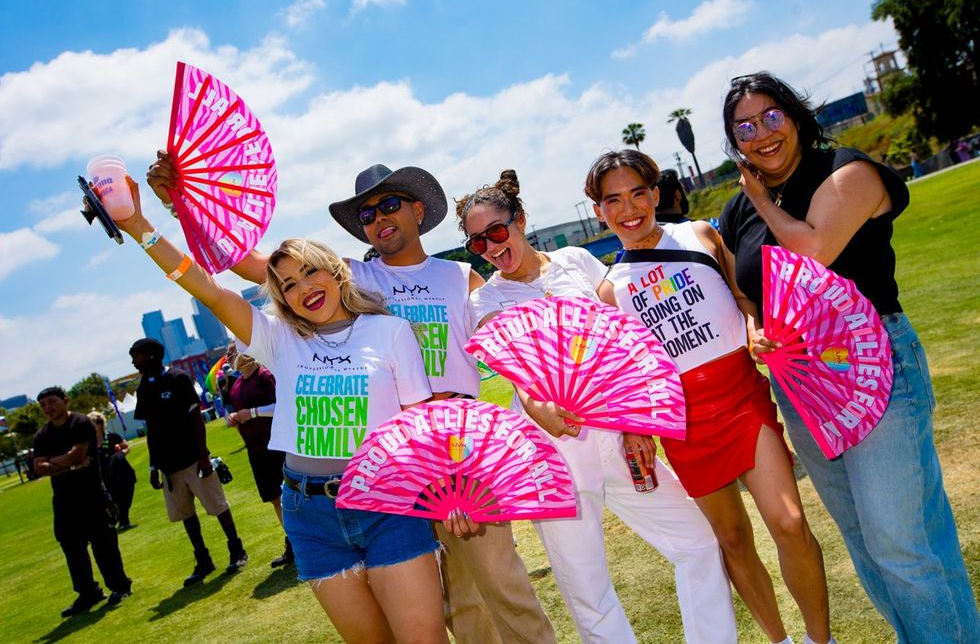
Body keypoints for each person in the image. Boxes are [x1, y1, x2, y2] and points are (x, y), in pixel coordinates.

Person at [148, 156, 557, 644]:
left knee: (499, 585)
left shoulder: (460, 278)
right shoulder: (350, 277)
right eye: (367, 214)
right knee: (448, 602)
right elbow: (245, 262)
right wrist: (181, 202)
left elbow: (504, 336)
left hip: (454, 449)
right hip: (390, 465)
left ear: (417, 211)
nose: (379, 218)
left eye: (389, 205)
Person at [113, 177, 448, 642]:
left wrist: (446, 492)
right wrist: (139, 225)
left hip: (388, 504)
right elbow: (206, 288)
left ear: (336, 272)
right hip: (310, 514)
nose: (303, 288)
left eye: (311, 272)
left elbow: (420, 424)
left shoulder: (390, 331)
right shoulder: (278, 338)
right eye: (288, 284)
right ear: (282, 298)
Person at [718, 71, 980, 644]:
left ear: (795, 115)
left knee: (902, 542)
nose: (761, 134)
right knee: (864, 540)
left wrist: (761, 198)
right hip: (802, 383)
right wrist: (755, 327)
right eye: (745, 126)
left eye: (771, 116)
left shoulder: (846, 170)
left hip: (874, 367)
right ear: (734, 141)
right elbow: (746, 291)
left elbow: (813, 248)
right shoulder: (737, 212)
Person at [458, 169, 737, 644]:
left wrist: (635, 423)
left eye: (497, 232)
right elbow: (519, 371)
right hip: (549, 453)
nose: (490, 248)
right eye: (477, 243)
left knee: (698, 543)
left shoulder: (576, 261)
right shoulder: (485, 301)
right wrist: (538, 405)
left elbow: (623, 344)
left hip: (616, 433)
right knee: (587, 590)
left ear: (521, 220)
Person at [588, 150, 834, 644]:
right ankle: (780, 640)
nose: (629, 208)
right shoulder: (611, 291)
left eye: (638, 193)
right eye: (613, 200)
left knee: (788, 521)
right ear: (599, 211)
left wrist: (751, 326)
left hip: (742, 398)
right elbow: (630, 371)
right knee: (733, 541)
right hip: (684, 425)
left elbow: (742, 294)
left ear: (655, 194)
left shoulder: (698, 235)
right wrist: (636, 426)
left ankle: (819, 640)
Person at [129, 337, 250, 587]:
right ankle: (203, 560)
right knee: (185, 514)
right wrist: (153, 467)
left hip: (194, 458)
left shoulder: (178, 378)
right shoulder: (143, 388)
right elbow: (151, 429)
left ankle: (237, 551)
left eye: (136, 355)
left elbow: (196, 417)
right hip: (168, 466)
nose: (133, 361)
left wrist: (204, 456)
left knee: (217, 506)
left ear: (151, 355)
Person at [33, 387, 132, 617]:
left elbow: (78, 454)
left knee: (103, 543)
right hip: (64, 500)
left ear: (65, 401)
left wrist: (55, 462)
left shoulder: (80, 423)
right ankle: (88, 592)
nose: (48, 408)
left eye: (51, 402)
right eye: (43, 405)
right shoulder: (42, 435)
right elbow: (38, 467)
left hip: (91, 494)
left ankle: (119, 585)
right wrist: (68, 464)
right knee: (71, 547)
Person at [224, 342, 293, 568]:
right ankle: (292, 543)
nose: (229, 356)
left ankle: (306, 542)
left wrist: (251, 413)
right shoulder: (235, 384)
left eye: (233, 351)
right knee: (274, 498)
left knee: (291, 496)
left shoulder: (264, 376)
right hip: (257, 450)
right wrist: (235, 419)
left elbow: (284, 405)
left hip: (277, 444)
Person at [88, 411, 137, 531]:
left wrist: (120, 454)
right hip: (103, 475)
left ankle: (123, 519)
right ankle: (119, 521)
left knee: (124, 496)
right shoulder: (89, 443)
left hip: (119, 471)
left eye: (93, 423)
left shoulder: (111, 437)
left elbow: (126, 447)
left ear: (100, 424)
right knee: (112, 499)